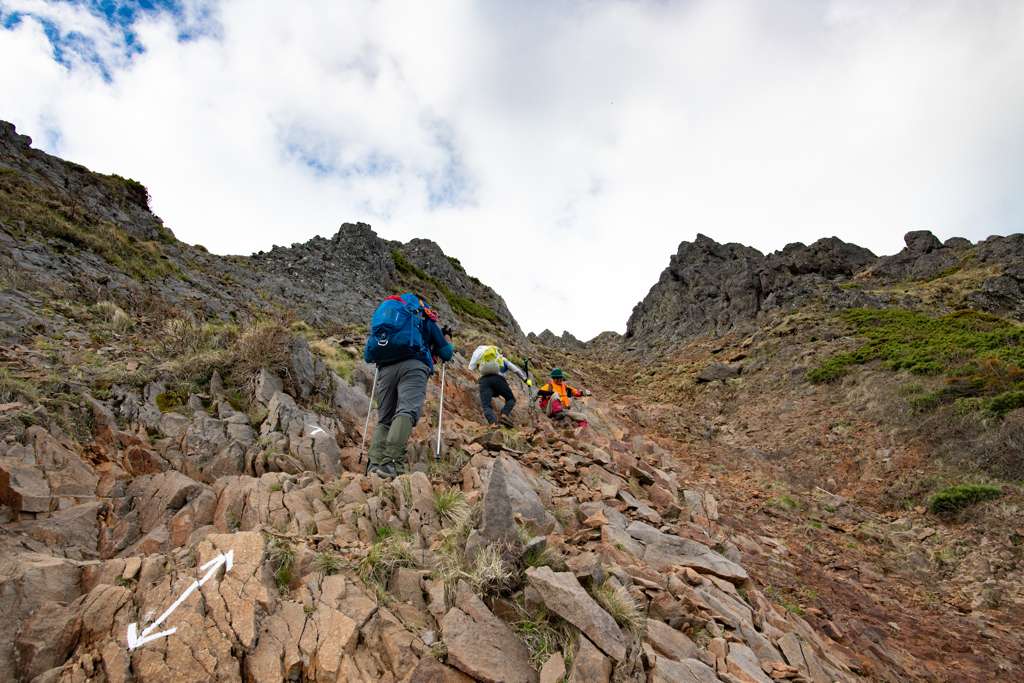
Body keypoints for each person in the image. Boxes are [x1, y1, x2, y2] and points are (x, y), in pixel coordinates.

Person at [364, 296, 453, 478]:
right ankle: (391, 463)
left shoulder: (389, 318)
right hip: (414, 365)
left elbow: (368, 355)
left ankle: (374, 464)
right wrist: (447, 337)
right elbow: (446, 353)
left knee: (385, 418)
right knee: (406, 410)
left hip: (385, 370)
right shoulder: (422, 316)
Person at [468, 344, 527, 428]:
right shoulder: (502, 359)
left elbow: (472, 368)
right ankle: (503, 415)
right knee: (511, 399)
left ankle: (493, 423)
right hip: (498, 380)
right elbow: (516, 370)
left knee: (486, 405)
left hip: (484, 381)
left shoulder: (481, 358)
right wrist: (525, 380)